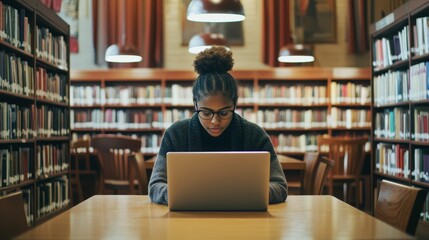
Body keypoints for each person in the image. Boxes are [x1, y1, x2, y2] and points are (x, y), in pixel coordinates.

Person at [148, 46, 287, 205]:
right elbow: (155, 186)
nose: (215, 121)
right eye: (206, 113)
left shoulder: (254, 135)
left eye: (224, 113)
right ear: (195, 105)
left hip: (243, 220)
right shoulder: (175, 134)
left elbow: (280, 186)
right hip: (188, 221)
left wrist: (251, 193)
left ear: (234, 105)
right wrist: (178, 194)